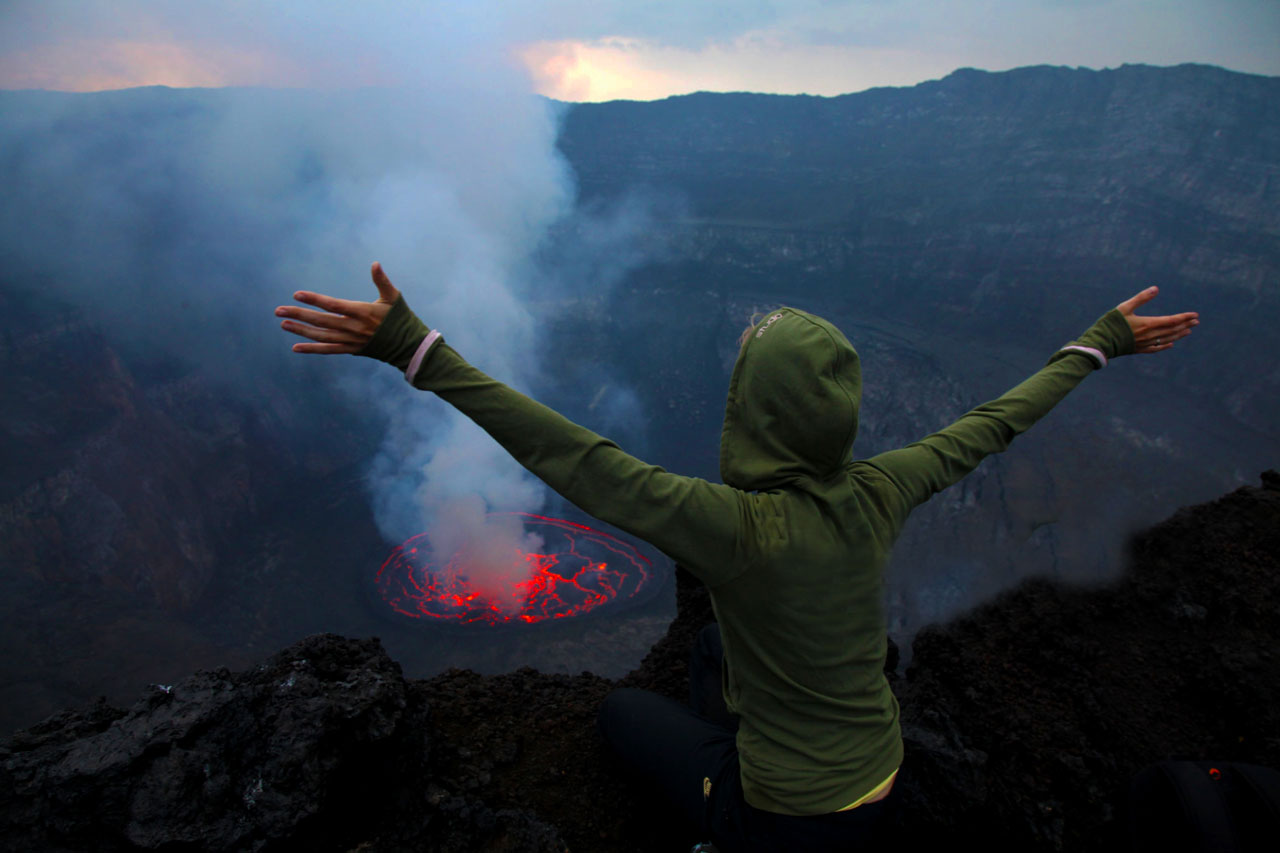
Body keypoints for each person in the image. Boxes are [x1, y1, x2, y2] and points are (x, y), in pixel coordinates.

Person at [275, 264, 1198, 852]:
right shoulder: (888, 486)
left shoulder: (734, 528)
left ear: (752, 416)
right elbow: (993, 422)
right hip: (887, 765)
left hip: (788, 819)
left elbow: (578, 459)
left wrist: (416, 349)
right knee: (717, 648)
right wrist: (1099, 342)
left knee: (625, 718)